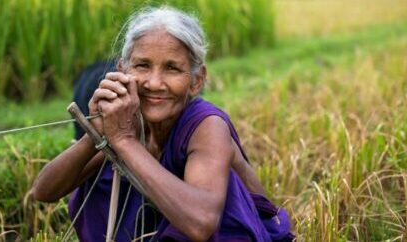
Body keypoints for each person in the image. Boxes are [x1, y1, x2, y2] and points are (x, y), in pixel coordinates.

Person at [32, 6, 294, 242]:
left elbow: (202, 223)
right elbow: (43, 191)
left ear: (196, 80)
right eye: (142, 65)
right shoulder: (128, 120)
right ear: (123, 70)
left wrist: (124, 142)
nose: (154, 83)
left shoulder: (206, 125)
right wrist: (97, 134)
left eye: (172, 68)